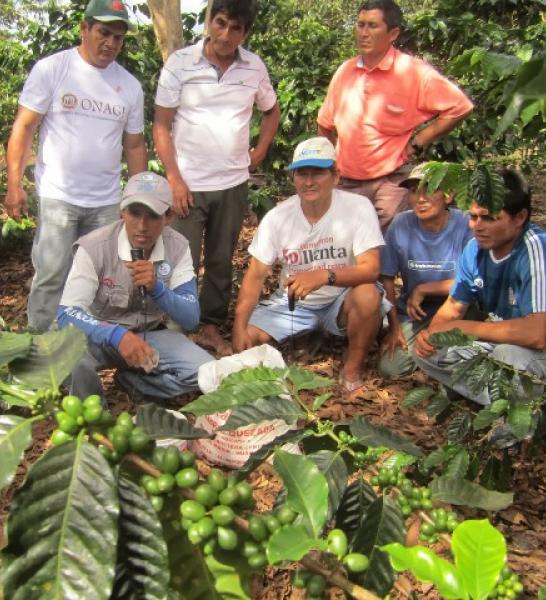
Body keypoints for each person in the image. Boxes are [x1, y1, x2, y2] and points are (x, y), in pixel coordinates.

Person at [4, 0, 147, 333]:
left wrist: (138, 200)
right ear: (84, 29)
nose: (110, 43)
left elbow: (135, 144)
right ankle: (40, 348)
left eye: (118, 37)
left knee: (99, 277)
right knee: (52, 273)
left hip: (106, 201)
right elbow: (24, 127)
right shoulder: (53, 69)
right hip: (59, 195)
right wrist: (14, 184)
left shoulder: (129, 86)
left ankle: (83, 348)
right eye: (103, 33)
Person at [413, 169, 546, 406]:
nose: (477, 226)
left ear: (519, 217)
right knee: (427, 350)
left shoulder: (538, 252)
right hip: (506, 346)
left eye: (489, 218)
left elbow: (536, 335)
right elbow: (453, 306)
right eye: (473, 217)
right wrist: (432, 337)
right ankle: (509, 401)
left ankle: (518, 418)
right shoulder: (475, 249)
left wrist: (462, 328)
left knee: (506, 357)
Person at [153, 0, 280, 356]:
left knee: (222, 260)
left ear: (246, 32)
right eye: (220, 23)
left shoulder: (253, 67)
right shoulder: (180, 63)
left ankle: (209, 326)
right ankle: (176, 330)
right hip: (189, 185)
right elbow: (161, 125)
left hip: (232, 183)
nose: (225, 35)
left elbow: (271, 111)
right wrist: (174, 179)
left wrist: (261, 149)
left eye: (235, 28)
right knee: (182, 259)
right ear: (209, 20)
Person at [231, 137, 388, 394]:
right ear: (293, 178)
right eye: (302, 174)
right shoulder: (278, 217)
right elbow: (255, 276)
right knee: (248, 338)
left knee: (368, 294)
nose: (309, 181)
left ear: (335, 176)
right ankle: (309, 334)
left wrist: (324, 276)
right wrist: (239, 325)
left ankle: (352, 368)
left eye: (318, 173)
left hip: (341, 299)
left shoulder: (357, 208)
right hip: (293, 304)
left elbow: (371, 268)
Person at [57, 171, 213, 401]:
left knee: (206, 371)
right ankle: (96, 421)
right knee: (70, 358)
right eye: (134, 213)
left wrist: (158, 289)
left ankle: (135, 382)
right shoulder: (94, 247)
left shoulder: (177, 247)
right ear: (122, 211)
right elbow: (66, 313)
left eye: (152, 215)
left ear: (168, 217)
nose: (142, 226)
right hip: (99, 336)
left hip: (148, 335)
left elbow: (190, 318)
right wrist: (116, 335)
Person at [317, 0, 473, 229]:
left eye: (372, 26)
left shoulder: (412, 72)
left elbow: (459, 106)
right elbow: (325, 124)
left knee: (386, 243)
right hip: (347, 180)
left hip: (389, 180)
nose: (364, 33)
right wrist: (329, 167)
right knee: (346, 244)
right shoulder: (345, 71)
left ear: (393, 33)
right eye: (360, 25)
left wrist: (419, 141)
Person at [378, 163, 472, 378]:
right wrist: (394, 327)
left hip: (460, 309)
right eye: (413, 191)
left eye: (429, 189)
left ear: (448, 196)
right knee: (390, 368)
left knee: (462, 357)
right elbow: (387, 278)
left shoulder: (466, 225)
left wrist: (426, 288)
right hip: (416, 314)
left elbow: (474, 280)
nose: (420, 199)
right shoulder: (401, 225)